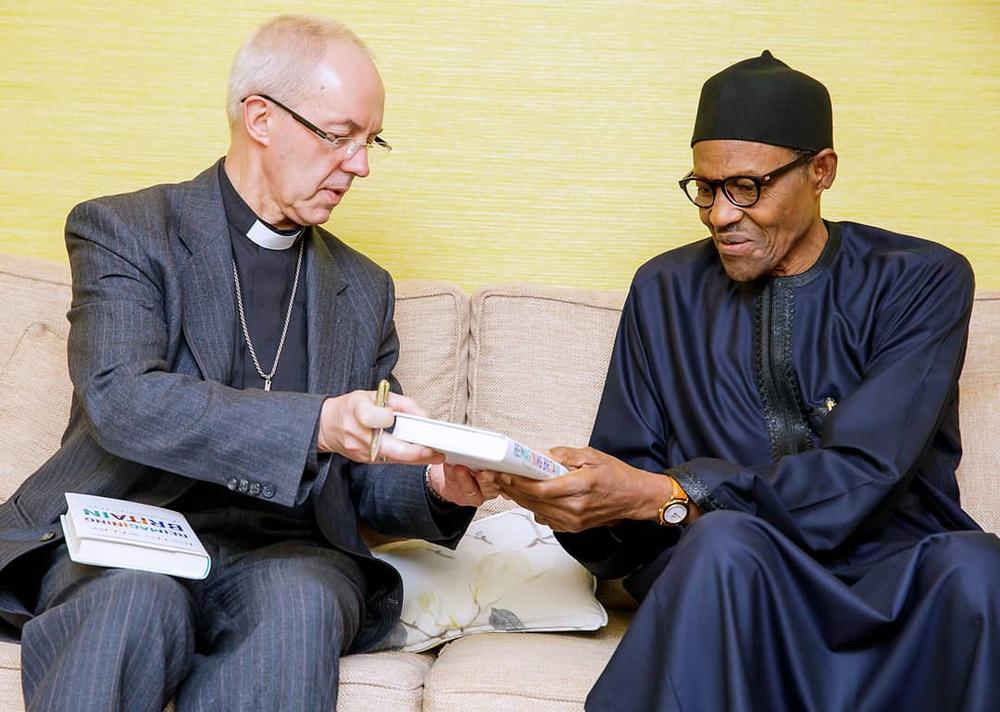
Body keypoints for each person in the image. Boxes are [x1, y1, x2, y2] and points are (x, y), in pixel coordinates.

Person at [0, 14, 496, 712]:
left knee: (301, 605)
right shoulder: (126, 230)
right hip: (124, 529)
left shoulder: (362, 289)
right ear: (260, 117)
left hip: (285, 553)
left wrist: (440, 485)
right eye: (340, 135)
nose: (360, 165)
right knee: (133, 600)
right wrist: (319, 423)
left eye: (370, 140)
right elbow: (123, 399)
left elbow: (361, 474)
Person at [496, 51, 1000, 711]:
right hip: (734, 581)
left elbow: (865, 472)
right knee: (723, 542)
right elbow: (637, 508)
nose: (718, 214)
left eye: (746, 187)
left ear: (821, 172)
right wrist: (573, 501)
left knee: (978, 567)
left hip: (890, 574)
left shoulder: (921, 279)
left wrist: (672, 490)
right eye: (704, 187)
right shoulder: (664, 290)